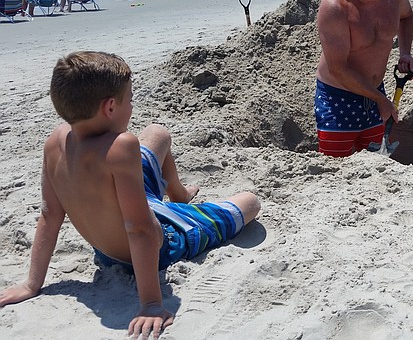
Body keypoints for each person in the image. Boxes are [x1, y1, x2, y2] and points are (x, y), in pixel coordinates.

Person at [0, 51, 260, 339]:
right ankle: (181, 209)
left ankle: (179, 194)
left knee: (158, 133)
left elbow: (50, 217)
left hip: (118, 228)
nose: (132, 106)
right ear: (110, 107)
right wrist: (150, 302)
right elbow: (139, 229)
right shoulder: (121, 146)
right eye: (130, 100)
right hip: (162, 243)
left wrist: (31, 284)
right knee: (249, 202)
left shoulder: (55, 141)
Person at [315, 0, 413, 157]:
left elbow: (406, 17)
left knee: (373, 162)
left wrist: (405, 53)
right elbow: (338, 69)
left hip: (375, 92)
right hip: (338, 97)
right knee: (334, 166)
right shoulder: (335, 7)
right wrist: (382, 101)